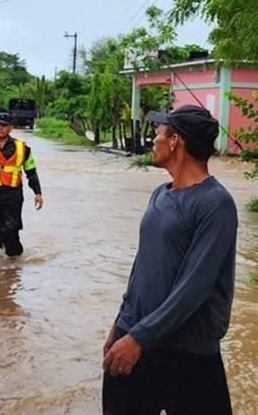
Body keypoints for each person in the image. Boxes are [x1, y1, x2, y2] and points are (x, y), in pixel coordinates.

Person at [102, 105, 236, 415]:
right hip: (134, 338)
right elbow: (142, 267)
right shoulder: (160, 195)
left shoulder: (215, 205)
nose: (153, 140)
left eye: (159, 133)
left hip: (187, 352)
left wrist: (139, 337)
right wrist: (120, 324)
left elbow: (195, 287)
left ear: (176, 141)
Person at [0, 113, 43, 257]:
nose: (0, 128)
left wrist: (37, 193)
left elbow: (31, 172)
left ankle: (14, 266)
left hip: (12, 195)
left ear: (11, 128)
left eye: (4, 125)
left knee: (10, 229)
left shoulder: (23, 148)